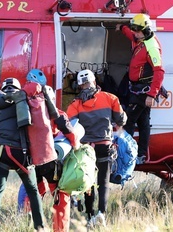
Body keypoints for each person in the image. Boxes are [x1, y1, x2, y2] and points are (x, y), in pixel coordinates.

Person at [0, 77, 46, 232]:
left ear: (3, 89)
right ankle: (40, 228)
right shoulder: (25, 100)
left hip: (3, 152)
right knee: (33, 190)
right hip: (22, 153)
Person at [21, 68, 81, 232]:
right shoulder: (53, 112)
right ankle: (59, 229)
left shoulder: (22, 108)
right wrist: (75, 145)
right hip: (49, 159)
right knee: (60, 193)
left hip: (29, 161)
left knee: (35, 192)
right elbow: (70, 133)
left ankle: (27, 224)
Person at [66, 69, 127, 228]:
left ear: (79, 85)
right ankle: (101, 214)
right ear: (95, 81)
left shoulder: (75, 104)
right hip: (105, 146)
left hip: (86, 149)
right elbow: (121, 119)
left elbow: (69, 128)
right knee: (103, 181)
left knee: (88, 181)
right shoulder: (110, 98)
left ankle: (89, 214)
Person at [117, 13, 165, 164]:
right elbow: (131, 36)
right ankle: (142, 154)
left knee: (129, 120)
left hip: (143, 92)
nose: (135, 33)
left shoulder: (152, 47)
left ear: (145, 30)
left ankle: (128, 153)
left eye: (137, 30)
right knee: (143, 122)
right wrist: (122, 28)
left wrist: (152, 94)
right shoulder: (140, 39)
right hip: (138, 89)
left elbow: (159, 71)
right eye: (134, 29)